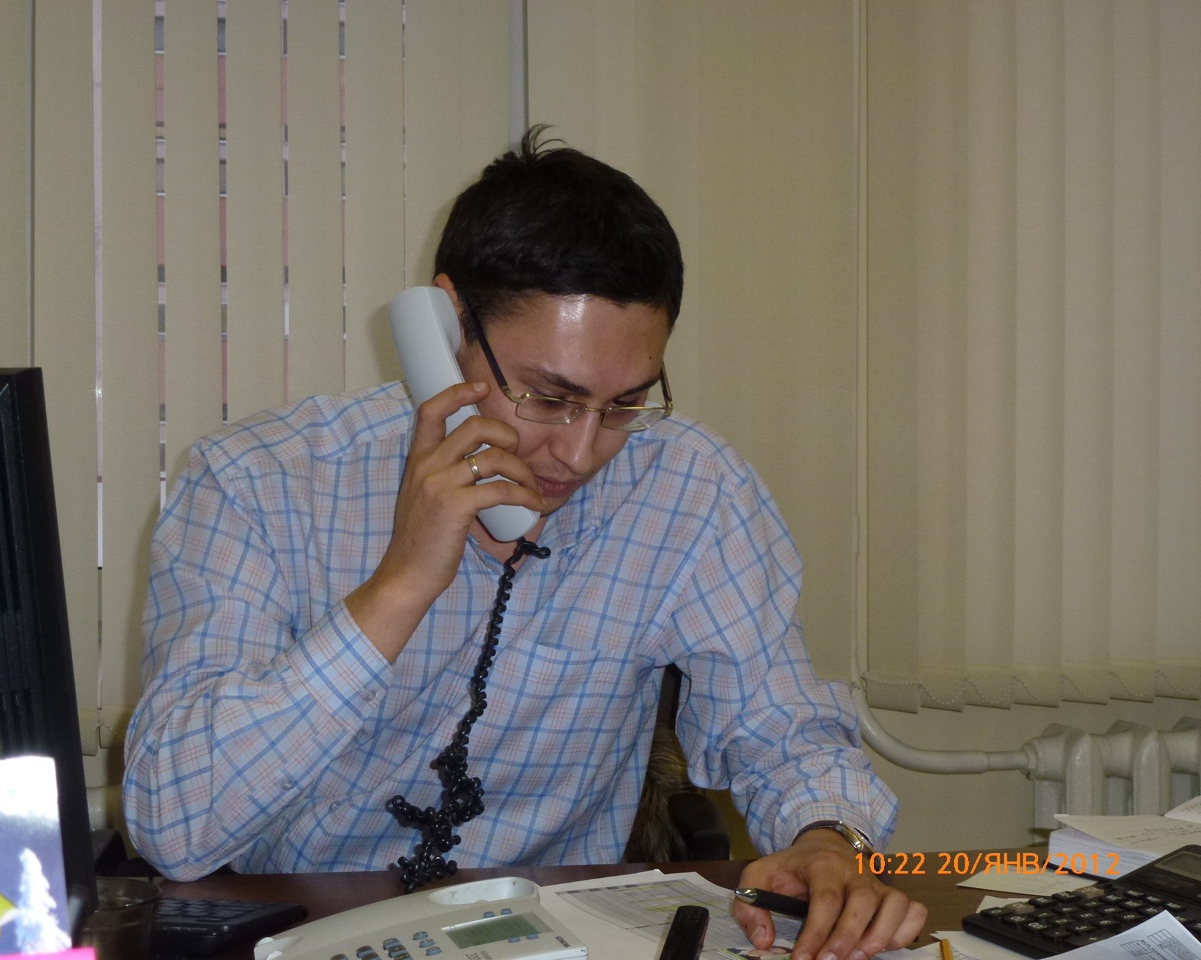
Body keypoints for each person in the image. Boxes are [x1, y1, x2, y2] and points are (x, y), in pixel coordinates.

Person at [123, 126, 926, 960]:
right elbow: (173, 827)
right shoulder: (258, 482)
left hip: (563, 941)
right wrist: (401, 584)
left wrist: (828, 839)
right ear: (443, 328)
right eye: (548, 397)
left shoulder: (690, 489)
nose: (580, 453)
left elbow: (781, 726)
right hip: (300, 936)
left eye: (624, 404)